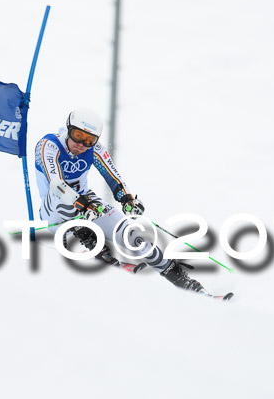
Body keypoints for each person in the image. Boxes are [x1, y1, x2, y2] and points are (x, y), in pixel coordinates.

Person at [34, 108, 204, 292]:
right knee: (67, 200)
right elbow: (56, 184)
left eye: (89, 140)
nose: (82, 144)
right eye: (78, 135)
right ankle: (94, 248)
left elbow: (113, 177)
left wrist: (127, 200)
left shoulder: (94, 150)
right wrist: (83, 204)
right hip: (53, 213)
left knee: (131, 235)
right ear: (68, 129)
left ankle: (179, 278)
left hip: (86, 205)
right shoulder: (49, 145)